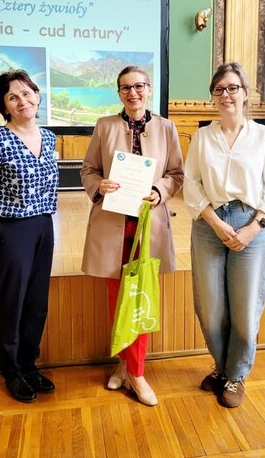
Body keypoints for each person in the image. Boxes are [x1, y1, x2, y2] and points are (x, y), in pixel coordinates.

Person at [81, 65, 184, 406]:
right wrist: (99, 185)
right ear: (119, 93)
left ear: (149, 89)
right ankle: (126, 365)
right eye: (125, 88)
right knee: (118, 301)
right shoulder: (105, 126)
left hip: (148, 227)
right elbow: (88, 170)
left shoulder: (167, 127)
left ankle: (135, 372)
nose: (133, 93)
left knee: (141, 299)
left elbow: (176, 174)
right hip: (113, 226)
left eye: (139, 86)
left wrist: (159, 191)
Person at [183, 62, 265, 408]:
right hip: (209, 223)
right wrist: (215, 223)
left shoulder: (264, 136)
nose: (225, 94)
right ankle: (222, 366)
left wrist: (253, 228)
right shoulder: (202, 137)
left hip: (251, 222)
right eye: (219, 89)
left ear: (245, 93)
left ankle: (235, 374)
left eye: (232, 88)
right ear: (213, 96)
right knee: (210, 307)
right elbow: (192, 185)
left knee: (245, 307)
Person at [0, 69, 59, 403]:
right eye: (13, 97)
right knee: (12, 302)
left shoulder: (49, 138)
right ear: (4, 106)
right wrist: (3, 231)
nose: (22, 100)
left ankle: (29, 364)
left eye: (26, 93)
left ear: (37, 96)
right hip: (12, 229)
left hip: (44, 226)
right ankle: (11, 371)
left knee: (37, 302)